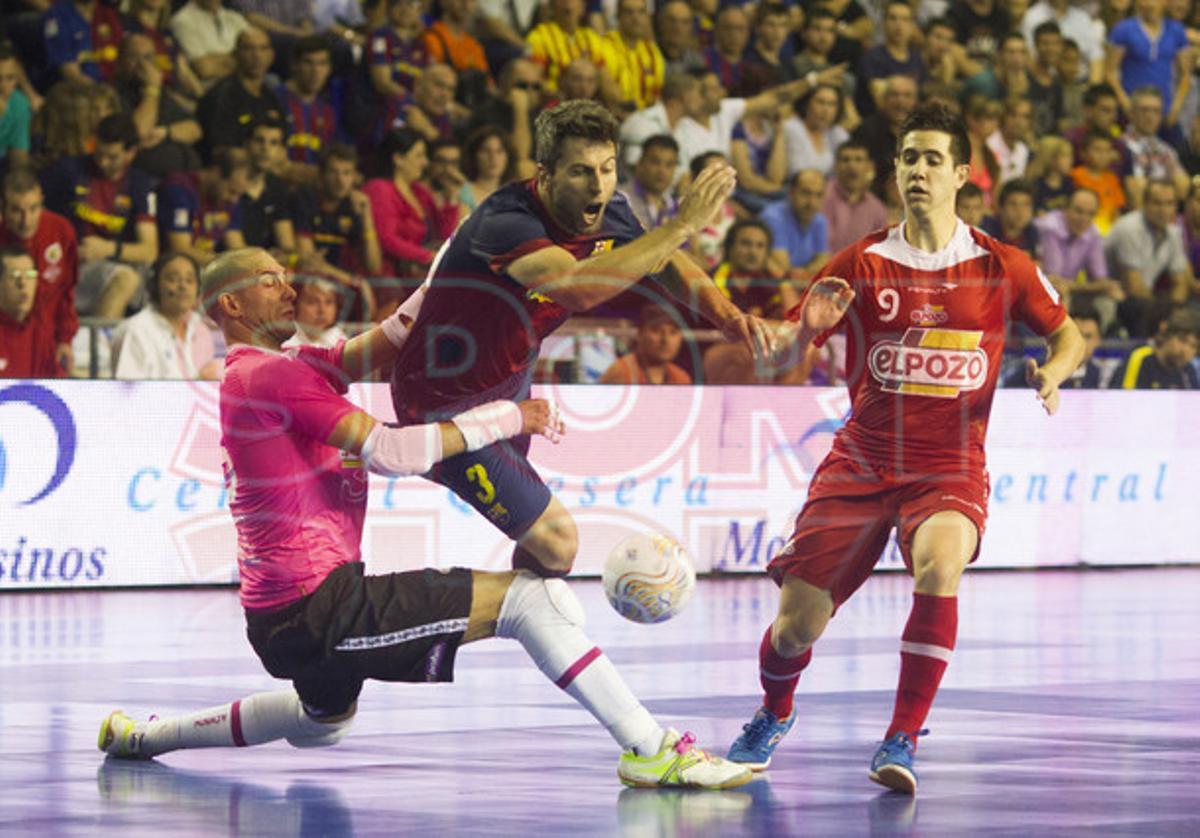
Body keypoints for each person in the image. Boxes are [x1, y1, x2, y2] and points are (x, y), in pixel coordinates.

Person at [97, 246, 752, 792]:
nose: (288, 285)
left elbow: (384, 343)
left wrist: (456, 260)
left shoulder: (283, 369)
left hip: (286, 616)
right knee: (525, 603)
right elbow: (391, 451)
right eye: (269, 279)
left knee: (322, 721)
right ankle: (652, 748)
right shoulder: (267, 376)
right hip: (318, 607)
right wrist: (507, 418)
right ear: (231, 306)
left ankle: (143, 736)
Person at [724, 102, 1085, 795]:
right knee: (795, 628)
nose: (917, 170)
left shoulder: (1001, 265)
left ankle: (902, 735)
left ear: (960, 174)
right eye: (907, 159)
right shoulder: (860, 262)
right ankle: (774, 710)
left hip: (948, 465)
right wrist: (796, 330)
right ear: (895, 174)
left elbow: (1067, 335)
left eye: (931, 159)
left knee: (939, 567)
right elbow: (793, 343)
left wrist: (1054, 374)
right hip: (861, 461)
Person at [389, 101, 771, 578]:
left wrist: (731, 318)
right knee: (559, 545)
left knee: (537, 547)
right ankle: (442, 616)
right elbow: (578, 288)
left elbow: (664, 261)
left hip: (510, 385)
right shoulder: (506, 221)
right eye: (581, 172)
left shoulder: (611, 209)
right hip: (442, 400)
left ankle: (531, 619)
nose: (598, 186)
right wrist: (681, 226)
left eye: (608, 169)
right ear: (545, 175)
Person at [40, 113, 159, 319]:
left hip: (112, 262)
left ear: (131, 153)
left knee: (139, 276)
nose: (102, 162)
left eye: (112, 157)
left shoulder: (139, 183)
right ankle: (98, 347)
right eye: (99, 153)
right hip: (69, 265)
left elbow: (149, 250)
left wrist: (106, 249)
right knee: (126, 278)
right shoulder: (68, 171)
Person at [0, 167, 79, 377]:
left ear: (42, 201)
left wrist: (65, 339)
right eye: (17, 210)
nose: (26, 220)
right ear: (3, 208)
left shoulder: (61, 231)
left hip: (47, 342)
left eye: (34, 209)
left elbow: (67, 292)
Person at [1105, 179, 1195, 336]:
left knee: (1188, 311)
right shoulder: (1129, 228)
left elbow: (1180, 282)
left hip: (1147, 299)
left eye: (1169, 203)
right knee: (1141, 308)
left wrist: (1174, 308)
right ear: (1144, 203)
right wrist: (1163, 310)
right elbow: (1134, 286)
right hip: (1114, 295)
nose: (1163, 210)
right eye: (1157, 203)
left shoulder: (1174, 233)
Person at [111, 252, 220, 380]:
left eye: (189, 280)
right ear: (155, 286)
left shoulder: (201, 329)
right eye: (173, 279)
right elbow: (128, 393)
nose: (183, 286)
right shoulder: (135, 329)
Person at [1035, 188, 1123, 328]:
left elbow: (1101, 279)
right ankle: (1058, 345)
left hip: (1072, 290)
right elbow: (1054, 279)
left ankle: (1096, 345)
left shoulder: (1092, 233)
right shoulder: (1050, 227)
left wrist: (1104, 287)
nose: (1084, 219)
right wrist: (1092, 287)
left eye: (1090, 214)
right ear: (1066, 209)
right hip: (1039, 289)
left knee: (1109, 299)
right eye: (1079, 211)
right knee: (1061, 292)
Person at [195, 27, 284, 163]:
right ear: (235, 55)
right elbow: (218, 151)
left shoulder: (271, 97)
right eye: (249, 49)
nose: (257, 56)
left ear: (271, 55)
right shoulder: (221, 96)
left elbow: (282, 146)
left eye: (263, 49)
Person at [761, 169, 830, 281]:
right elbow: (784, 268)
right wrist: (810, 272)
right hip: (773, 287)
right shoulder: (773, 217)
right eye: (806, 193)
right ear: (791, 193)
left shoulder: (819, 220)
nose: (812, 202)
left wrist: (805, 273)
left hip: (801, 284)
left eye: (819, 195)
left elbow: (823, 260)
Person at [599, 302, 692, 384]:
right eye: (656, 331)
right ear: (639, 334)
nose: (665, 340)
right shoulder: (621, 374)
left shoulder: (681, 378)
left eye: (673, 332)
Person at [822, 140, 888, 253]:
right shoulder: (821, 196)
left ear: (869, 166)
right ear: (835, 166)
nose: (852, 166)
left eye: (858, 160)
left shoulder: (877, 208)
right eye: (845, 160)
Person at [0, 245, 56, 377]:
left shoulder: (41, 332)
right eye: (14, 276)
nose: (23, 284)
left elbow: (57, 385)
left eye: (30, 275)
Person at [1112, 307, 1200, 388]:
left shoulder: (1188, 370)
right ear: (1168, 335)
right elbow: (1123, 399)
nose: (1185, 350)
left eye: (1194, 346)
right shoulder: (1140, 357)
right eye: (1182, 340)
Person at [620, 134, 680, 232]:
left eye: (669, 165)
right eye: (655, 162)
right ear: (640, 163)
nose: (662, 171)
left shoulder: (675, 206)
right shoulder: (621, 200)